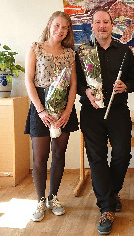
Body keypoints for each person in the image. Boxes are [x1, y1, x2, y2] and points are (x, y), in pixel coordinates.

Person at [75, 9, 134, 235]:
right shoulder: (82, 51)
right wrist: (86, 91)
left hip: (118, 109)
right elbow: (77, 81)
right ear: (92, 26)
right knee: (97, 157)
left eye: (106, 22)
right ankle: (107, 207)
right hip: (91, 112)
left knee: (123, 152)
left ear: (112, 25)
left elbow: (133, 78)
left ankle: (111, 191)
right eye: (97, 22)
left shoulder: (124, 51)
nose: (102, 26)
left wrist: (126, 87)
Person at [24, 11, 79, 221]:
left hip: (63, 105)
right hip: (40, 105)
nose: (60, 30)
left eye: (65, 27)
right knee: (39, 158)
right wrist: (41, 110)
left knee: (58, 154)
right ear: (49, 25)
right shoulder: (35, 48)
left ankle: (53, 197)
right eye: (57, 26)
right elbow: (29, 80)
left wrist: (67, 111)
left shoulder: (69, 53)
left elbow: (73, 84)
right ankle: (39, 201)